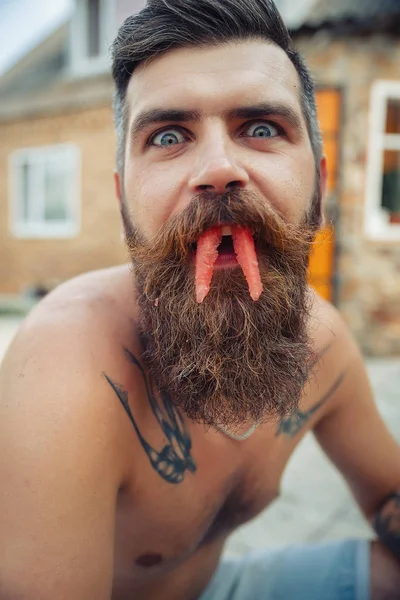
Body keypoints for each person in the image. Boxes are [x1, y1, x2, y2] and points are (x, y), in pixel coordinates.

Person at [0, 1, 399, 598]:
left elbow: (388, 493)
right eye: (167, 135)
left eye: (261, 128)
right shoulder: (65, 365)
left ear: (320, 187)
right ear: (124, 201)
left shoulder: (328, 347)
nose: (218, 168)